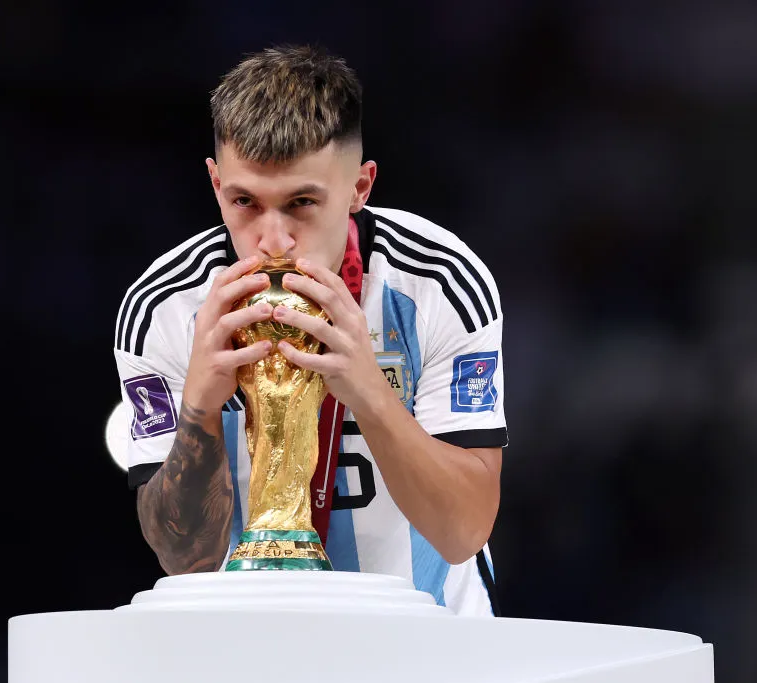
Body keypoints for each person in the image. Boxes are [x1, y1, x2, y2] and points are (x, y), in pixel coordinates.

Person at [109, 44, 507, 616]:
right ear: (215, 184)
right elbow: (183, 560)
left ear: (360, 188)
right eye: (244, 201)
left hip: (428, 639)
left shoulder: (438, 284)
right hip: (255, 641)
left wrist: (371, 395)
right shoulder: (164, 310)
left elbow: (463, 533)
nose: (273, 241)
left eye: (301, 203)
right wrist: (199, 406)